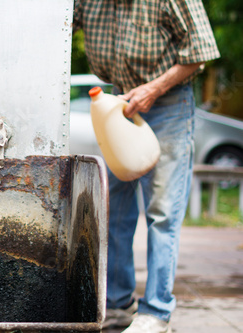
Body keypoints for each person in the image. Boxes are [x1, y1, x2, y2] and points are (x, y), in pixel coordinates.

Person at [73, 1, 220, 333]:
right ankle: (118, 305)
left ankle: (157, 312)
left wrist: (154, 88)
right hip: (116, 103)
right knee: (114, 211)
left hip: (168, 102)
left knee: (163, 212)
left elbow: (199, 51)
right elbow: (55, 23)